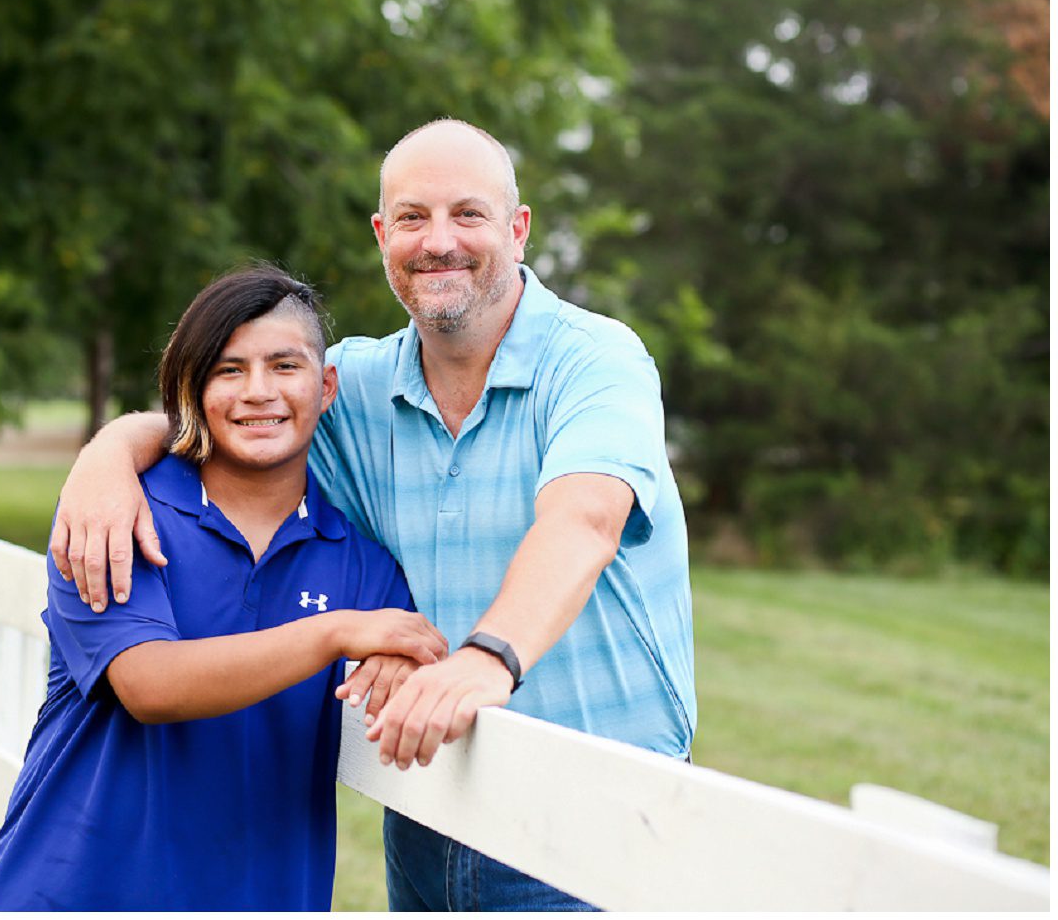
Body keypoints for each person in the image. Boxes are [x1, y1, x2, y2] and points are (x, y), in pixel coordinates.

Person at [48, 120, 696, 911]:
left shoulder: (598, 361)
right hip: (430, 807)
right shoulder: (351, 384)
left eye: (469, 214)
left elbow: (584, 520)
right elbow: (239, 412)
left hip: (593, 817)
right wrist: (109, 455)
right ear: (383, 235)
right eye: (414, 218)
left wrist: (485, 659)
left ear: (518, 230)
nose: (439, 241)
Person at [0, 265, 447, 911]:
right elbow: (149, 685)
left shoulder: (363, 568)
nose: (259, 392)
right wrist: (336, 631)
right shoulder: (114, 517)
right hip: (74, 891)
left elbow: (406, 656)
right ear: (193, 389)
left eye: (285, 366)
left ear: (326, 384)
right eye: (228, 369)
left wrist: (396, 652)